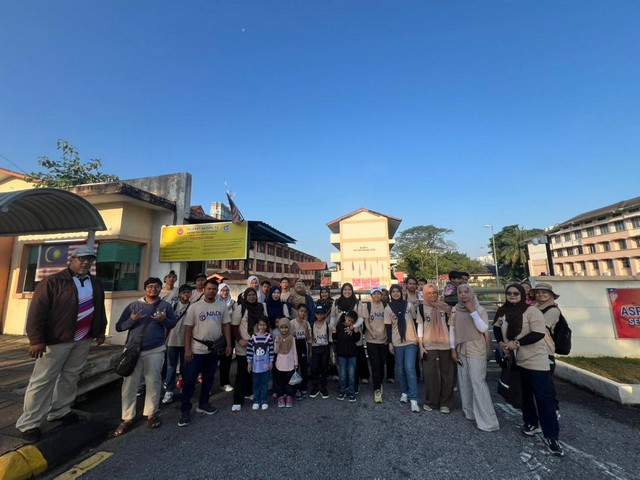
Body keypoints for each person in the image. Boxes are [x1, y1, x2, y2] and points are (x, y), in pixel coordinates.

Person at [16, 246, 107, 443]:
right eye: (81, 259)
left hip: (83, 339)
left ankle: (60, 410)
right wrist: (36, 339)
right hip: (57, 340)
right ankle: (30, 423)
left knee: (70, 376)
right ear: (71, 260)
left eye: (89, 260)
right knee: (43, 380)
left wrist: (100, 330)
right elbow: (37, 311)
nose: (85, 263)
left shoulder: (95, 282)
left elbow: (99, 307)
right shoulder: (52, 281)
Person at [494, 284, 564, 456]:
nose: (512, 295)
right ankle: (531, 423)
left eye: (516, 293)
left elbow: (538, 333)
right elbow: (496, 327)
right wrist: (502, 343)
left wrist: (517, 343)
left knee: (543, 398)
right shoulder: (502, 311)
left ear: (522, 295)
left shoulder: (532, 311)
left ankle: (552, 436)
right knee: (524, 394)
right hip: (515, 360)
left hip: (534, 359)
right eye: (509, 293)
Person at [114, 277, 177, 436]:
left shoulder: (165, 306)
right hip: (132, 350)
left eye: (156, 286)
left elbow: (172, 324)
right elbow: (119, 327)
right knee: (129, 384)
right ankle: (127, 417)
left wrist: (163, 319)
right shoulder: (133, 306)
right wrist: (131, 320)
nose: (153, 289)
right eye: (150, 286)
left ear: (161, 289)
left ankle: (151, 413)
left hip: (155, 349)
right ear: (144, 289)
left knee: (153, 382)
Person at [178, 279, 232, 427]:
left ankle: (203, 404)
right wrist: (187, 349)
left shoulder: (221, 306)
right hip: (196, 349)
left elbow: (226, 326)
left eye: (214, 289)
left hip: (214, 349)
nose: (211, 291)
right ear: (204, 290)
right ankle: (185, 410)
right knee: (189, 380)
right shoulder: (195, 307)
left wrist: (229, 344)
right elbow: (188, 329)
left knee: (209, 378)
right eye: (209, 288)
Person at [449, 284, 499, 432]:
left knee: (478, 382)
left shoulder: (480, 309)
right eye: (460, 292)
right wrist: (453, 349)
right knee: (464, 381)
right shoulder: (455, 309)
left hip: (477, 348)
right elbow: (452, 330)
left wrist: (472, 311)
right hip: (461, 347)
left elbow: (483, 328)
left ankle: (488, 421)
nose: (463, 294)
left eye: (466, 292)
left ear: (471, 293)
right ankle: (470, 412)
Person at [385, 285, 421, 413]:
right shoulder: (388, 308)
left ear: (401, 292)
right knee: (400, 368)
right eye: (393, 292)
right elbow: (388, 327)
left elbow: (416, 321)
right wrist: (390, 343)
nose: (395, 293)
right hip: (397, 341)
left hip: (411, 340)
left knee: (409, 368)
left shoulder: (408, 305)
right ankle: (404, 392)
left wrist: (420, 340)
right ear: (390, 294)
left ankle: (414, 399)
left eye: (397, 291)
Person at [419, 284, 454, 413]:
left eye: (434, 292)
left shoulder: (445, 307)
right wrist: (420, 346)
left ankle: (446, 403)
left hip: (446, 343)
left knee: (447, 375)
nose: (432, 295)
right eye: (428, 293)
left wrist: (453, 346)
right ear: (424, 294)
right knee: (430, 375)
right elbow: (420, 328)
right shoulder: (421, 308)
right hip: (429, 344)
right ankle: (431, 402)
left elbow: (451, 327)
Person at [231, 287, 267, 411]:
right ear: (245, 296)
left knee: (254, 370)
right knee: (242, 371)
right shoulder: (241, 308)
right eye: (249, 295)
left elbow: (265, 323)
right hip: (244, 344)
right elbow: (234, 326)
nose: (252, 297)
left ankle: (250, 392)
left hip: (258, 344)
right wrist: (240, 339)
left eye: (253, 294)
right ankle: (238, 400)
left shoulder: (261, 307)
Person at [532, 282, 563, 418]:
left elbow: (539, 327)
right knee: (537, 383)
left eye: (544, 292)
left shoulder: (553, 310)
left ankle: (553, 410)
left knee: (546, 383)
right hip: (532, 349)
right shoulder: (535, 306)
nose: (541, 295)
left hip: (545, 349)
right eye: (538, 292)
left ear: (551, 295)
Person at [329, 283, 368, 390]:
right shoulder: (337, 302)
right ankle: (344, 384)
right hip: (340, 334)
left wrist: (353, 326)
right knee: (342, 361)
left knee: (354, 362)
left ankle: (354, 385)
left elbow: (361, 317)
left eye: (349, 289)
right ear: (342, 291)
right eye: (345, 289)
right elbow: (333, 316)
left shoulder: (357, 302)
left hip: (354, 334)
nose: (347, 291)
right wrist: (333, 327)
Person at [162, 284, 192, 404]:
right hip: (172, 340)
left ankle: (184, 388)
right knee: (171, 367)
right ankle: (169, 391)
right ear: (179, 294)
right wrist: (164, 339)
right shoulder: (173, 306)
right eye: (184, 292)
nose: (186, 295)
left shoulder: (193, 306)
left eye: (188, 292)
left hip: (186, 341)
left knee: (185, 367)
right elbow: (166, 323)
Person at [364, 286, 387, 403]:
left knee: (382, 363)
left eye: (378, 293)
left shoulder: (386, 306)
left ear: (381, 295)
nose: (376, 295)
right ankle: (376, 389)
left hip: (383, 339)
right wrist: (371, 332)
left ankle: (380, 382)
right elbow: (366, 321)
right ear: (371, 295)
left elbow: (388, 321)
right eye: (374, 294)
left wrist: (385, 334)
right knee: (374, 364)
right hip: (371, 339)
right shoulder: (367, 306)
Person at [247, 317, 274, 410]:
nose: (262, 327)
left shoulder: (269, 337)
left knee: (264, 384)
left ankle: (264, 400)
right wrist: (249, 363)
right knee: (256, 384)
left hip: (265, 366)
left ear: (267, 326)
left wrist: (271, 362)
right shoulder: (253, 337)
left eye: (264, 325)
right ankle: (256, 401)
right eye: (260, 325)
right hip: (255, 366)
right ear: (257, 326)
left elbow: (271, 350)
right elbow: (249, 351)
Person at [333, 311, 361, 402]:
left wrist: (356, 331)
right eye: (348, 320)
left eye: (352, 322)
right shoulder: (339, 326)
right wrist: (334, 333)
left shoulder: (353, 328)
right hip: (341, 354)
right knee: (342, 374)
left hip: (352, 355)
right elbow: (335, 339)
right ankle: (342, 391)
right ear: (345, 317)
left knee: (352, 375)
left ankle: (352, 393)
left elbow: (357, 339)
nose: (349, 323)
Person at [273, 318, 298, 408]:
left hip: (290, 364)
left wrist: (296, 362)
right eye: (282, 327)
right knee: (280, 382)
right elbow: (275, 351)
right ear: (279, 328)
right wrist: (277, 343)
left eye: (286, 327)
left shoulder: (292, 338)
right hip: (280, 364)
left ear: (289, 327)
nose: (284, 329)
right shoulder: (278, 338)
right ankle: (280, 396)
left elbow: (294, 351)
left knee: (290, 382)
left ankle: (289, 396)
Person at [216, 282, 236, 393]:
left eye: (227, 290)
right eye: (223, 290)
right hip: (216, 334)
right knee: (212, 361)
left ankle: (224, 382)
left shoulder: (232, 303)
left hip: (229, 334)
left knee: (226, 360)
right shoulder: (215, 303)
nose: (225, 292)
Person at [309, 305, 331, 399]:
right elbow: (310, 338)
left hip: (325, 348)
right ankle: (315, 386)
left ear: (324, 314)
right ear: (315, 314)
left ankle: (323, 386)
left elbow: (330, 338)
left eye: (321, 313)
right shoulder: (312, 324)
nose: (319, 315)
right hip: (315, 348)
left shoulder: (327, 325)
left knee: (324, 367)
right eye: (318, 313)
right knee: (314, 368)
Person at [291, 303, 312, 399]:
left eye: (305, 312)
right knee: (295, 368)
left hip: (303, 346)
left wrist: (306, 328)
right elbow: (289, 336)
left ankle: (304, 388)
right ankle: (296, 389)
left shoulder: (307, 323)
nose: (303, 313)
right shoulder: (292, 323)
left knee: (304, 368)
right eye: (301, 311)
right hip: (294, 346)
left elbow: (308, 338)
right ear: (297, 311)